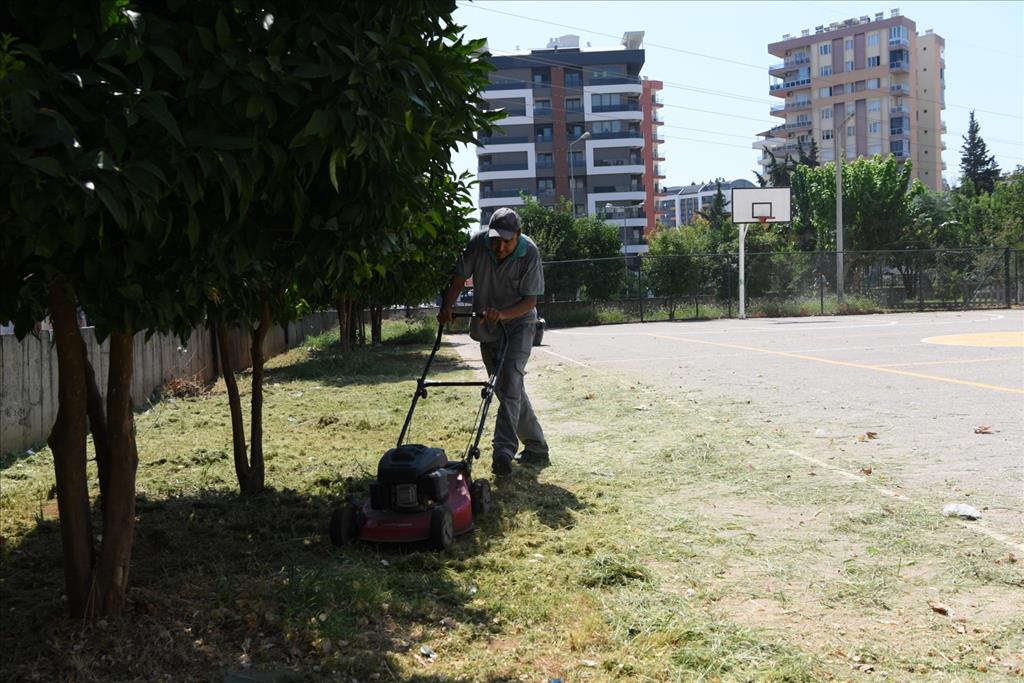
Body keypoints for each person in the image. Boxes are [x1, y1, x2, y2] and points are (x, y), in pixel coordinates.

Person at [437, 207, 549, 475]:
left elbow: (530, 300)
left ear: (518, 235)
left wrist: (503, 314)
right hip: (487, 325)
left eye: (506, 241)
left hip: (519, 323)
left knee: (510, 381)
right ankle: (536, 446)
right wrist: (447, 307)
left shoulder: (529, 253)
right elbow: (458, 279)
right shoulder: (478, 243)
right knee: (507, 388)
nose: (499, 247)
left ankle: (503, 451)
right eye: (495, 240)